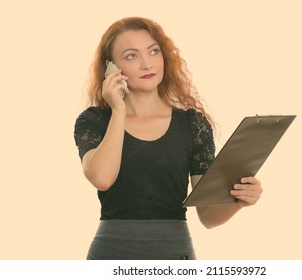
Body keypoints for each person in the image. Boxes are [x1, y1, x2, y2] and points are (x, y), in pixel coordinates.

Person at [73, 16, 263, 260]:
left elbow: (207, 215)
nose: (146, 64)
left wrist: (238, 201)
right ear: (111, 68)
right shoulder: (94, 121)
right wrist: (118, 109)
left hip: (175, 255)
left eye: (153, 51)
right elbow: (102, 177)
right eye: (132, 56)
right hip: (110, 254)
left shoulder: (193, 124)